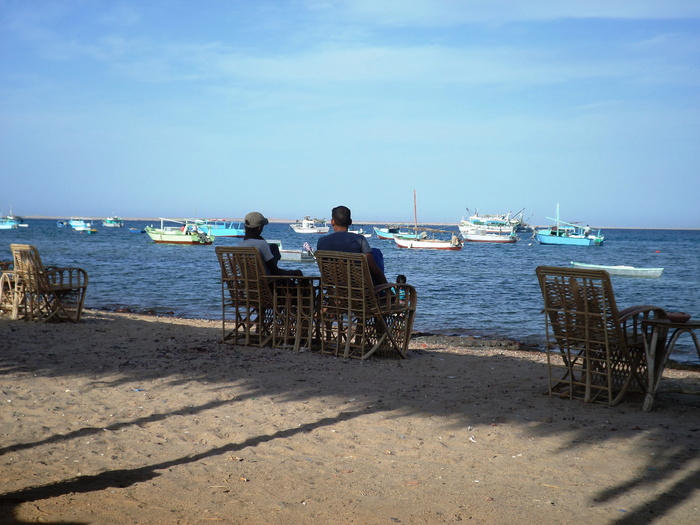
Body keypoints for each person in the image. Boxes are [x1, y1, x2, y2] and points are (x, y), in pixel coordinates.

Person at [316, 205, 387, 285]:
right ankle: (383, 293)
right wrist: (387, 286)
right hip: (359, 289)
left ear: (332, 222)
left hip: (336, 287)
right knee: (375, 252)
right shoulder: (360, 240)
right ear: (350, 222)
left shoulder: (321, 242)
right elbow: (374, 269)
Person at [239, 212, 303, 276]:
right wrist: (294, 272)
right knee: (274, 247)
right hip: (267, 283)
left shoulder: (240, 246)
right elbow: (275, 271)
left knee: (273, 247)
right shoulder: (261, 244)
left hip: (247, 283)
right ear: (259, 228)